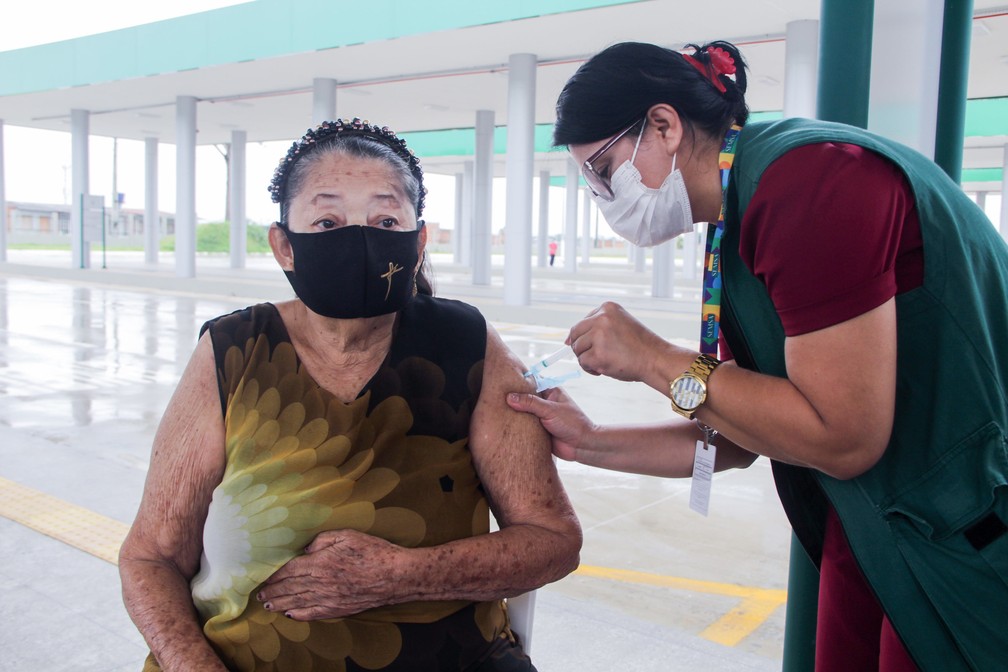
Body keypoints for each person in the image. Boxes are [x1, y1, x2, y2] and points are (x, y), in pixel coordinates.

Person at [506, 41, 1008, 672]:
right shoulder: (738, 211)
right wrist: (589, 441)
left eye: (603, 169)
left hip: (958, 532)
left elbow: (843, 437)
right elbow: (741, 435)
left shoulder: (811, 182)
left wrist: (654, 358)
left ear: (663, 126)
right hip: (882, 528)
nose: (603, 197)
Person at [119, 118, 582, 672]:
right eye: (327, 219)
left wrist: (401, 576)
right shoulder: (232, 352)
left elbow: (553, 541)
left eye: (386, 218)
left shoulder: (467, 344)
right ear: (285, 246)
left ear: (418, 240)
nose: (360, 239)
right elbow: (151, 556)